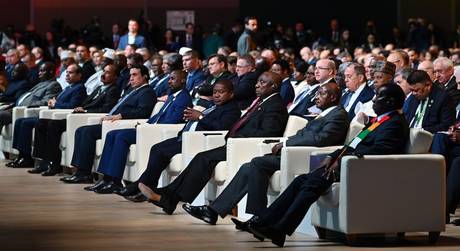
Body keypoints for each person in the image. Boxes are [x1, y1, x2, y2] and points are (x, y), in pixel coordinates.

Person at [246, 83, 409, 247]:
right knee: (300, 181)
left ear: (390, 101)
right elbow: (352, 144)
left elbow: (380, 151)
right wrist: (333, 156)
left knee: (311, 184)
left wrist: (342, 160)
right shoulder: (378, 121)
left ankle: (279, 229)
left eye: (378, 96)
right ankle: (265, 223)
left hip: (362, 169)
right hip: (349, 164)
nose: (373, 100)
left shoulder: (394, 123)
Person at [183, 82, 350, 226]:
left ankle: (259, 217)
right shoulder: (324, 114)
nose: (316, 97)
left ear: (333, 97)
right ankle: (214, 211)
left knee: (257, 163)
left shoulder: (338, 115)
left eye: (321, 93)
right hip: (293, 153)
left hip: (309, 158)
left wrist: (285, 143)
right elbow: (303, 135)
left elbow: (320, 139)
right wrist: (286, 142)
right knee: (248, 167)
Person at [137, 72, 289, 215]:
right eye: (257, 82)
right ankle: (169, 196)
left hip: (246, 146)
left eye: (262, 82)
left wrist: (240, 137)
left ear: (273, 86)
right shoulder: (263, 102)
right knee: (201, 157)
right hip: (235, 144)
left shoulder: (275, 105)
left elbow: (269, 132)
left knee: (204, 158)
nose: (256, 85)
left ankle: (169, 197)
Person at [109, 80, 241, 200]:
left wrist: (200, 117)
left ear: (231, 94)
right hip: (185, 137)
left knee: (161, 151)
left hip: (196, 141)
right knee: (156, 148)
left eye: (221, 92)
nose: (217, 95)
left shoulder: (232, 110)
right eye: (215, 92)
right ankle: (146, 186)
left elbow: (221, 127)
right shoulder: (214, 106)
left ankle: (140, 187)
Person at [86, 69, 192, 192]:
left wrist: (148, 127)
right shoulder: (173, 95)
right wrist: (145, 123)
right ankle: (106, 178)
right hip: (150, 128)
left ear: (183, 80)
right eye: (168, 79)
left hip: (156, 132)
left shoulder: (184, 98)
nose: (169, 82)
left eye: (172, 79)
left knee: (121, 136)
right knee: (112, 134)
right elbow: (158, 116)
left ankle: (115, 181)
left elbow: (173, 120)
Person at [60, 64, 156, 183]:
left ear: (145, 77)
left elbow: (143, 111)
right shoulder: (132, 91)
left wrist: (121, 115)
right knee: (81, 130)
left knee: (87, 132)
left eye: (135, 75)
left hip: (122, 124)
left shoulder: (147, 92)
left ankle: (85, 174)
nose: (131, 78)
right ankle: (80, 171)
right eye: (130, 75)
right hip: (112, 122)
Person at [30, 64, 121, 176]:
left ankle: (55, 164)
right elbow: (85, 103)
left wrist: (85, 111)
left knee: (53, 124)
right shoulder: (99, 88)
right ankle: (43, 161)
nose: (103, 74)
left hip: (87, 117)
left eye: (107, 72)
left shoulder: (113, 90)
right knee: (41, 123)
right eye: (103, 71)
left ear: (116, 77)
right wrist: (81, 108)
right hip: (79, 115)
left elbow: (106, 108)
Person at [7, 64, 86, 168]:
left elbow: (72, 106)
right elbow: (54, 101)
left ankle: (29, 158)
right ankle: (24, 156)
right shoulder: (68, 88)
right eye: (66, 72)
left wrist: (55, 104)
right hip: (53, 114)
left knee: (28, 123)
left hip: (62, 117)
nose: (67, 75)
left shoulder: (79, 88)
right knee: (20, 121)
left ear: (79, 75)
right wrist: (52, 103)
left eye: (70, 73)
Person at [0, 62, 61, 133]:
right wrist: (12, 106)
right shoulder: (41, 83)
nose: (39, 73)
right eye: (39, 71)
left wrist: (25, 106)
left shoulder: (54, 85)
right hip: (16, 109)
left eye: (42, 71)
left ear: (51, 72)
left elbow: (46, 101)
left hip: (25, 111)